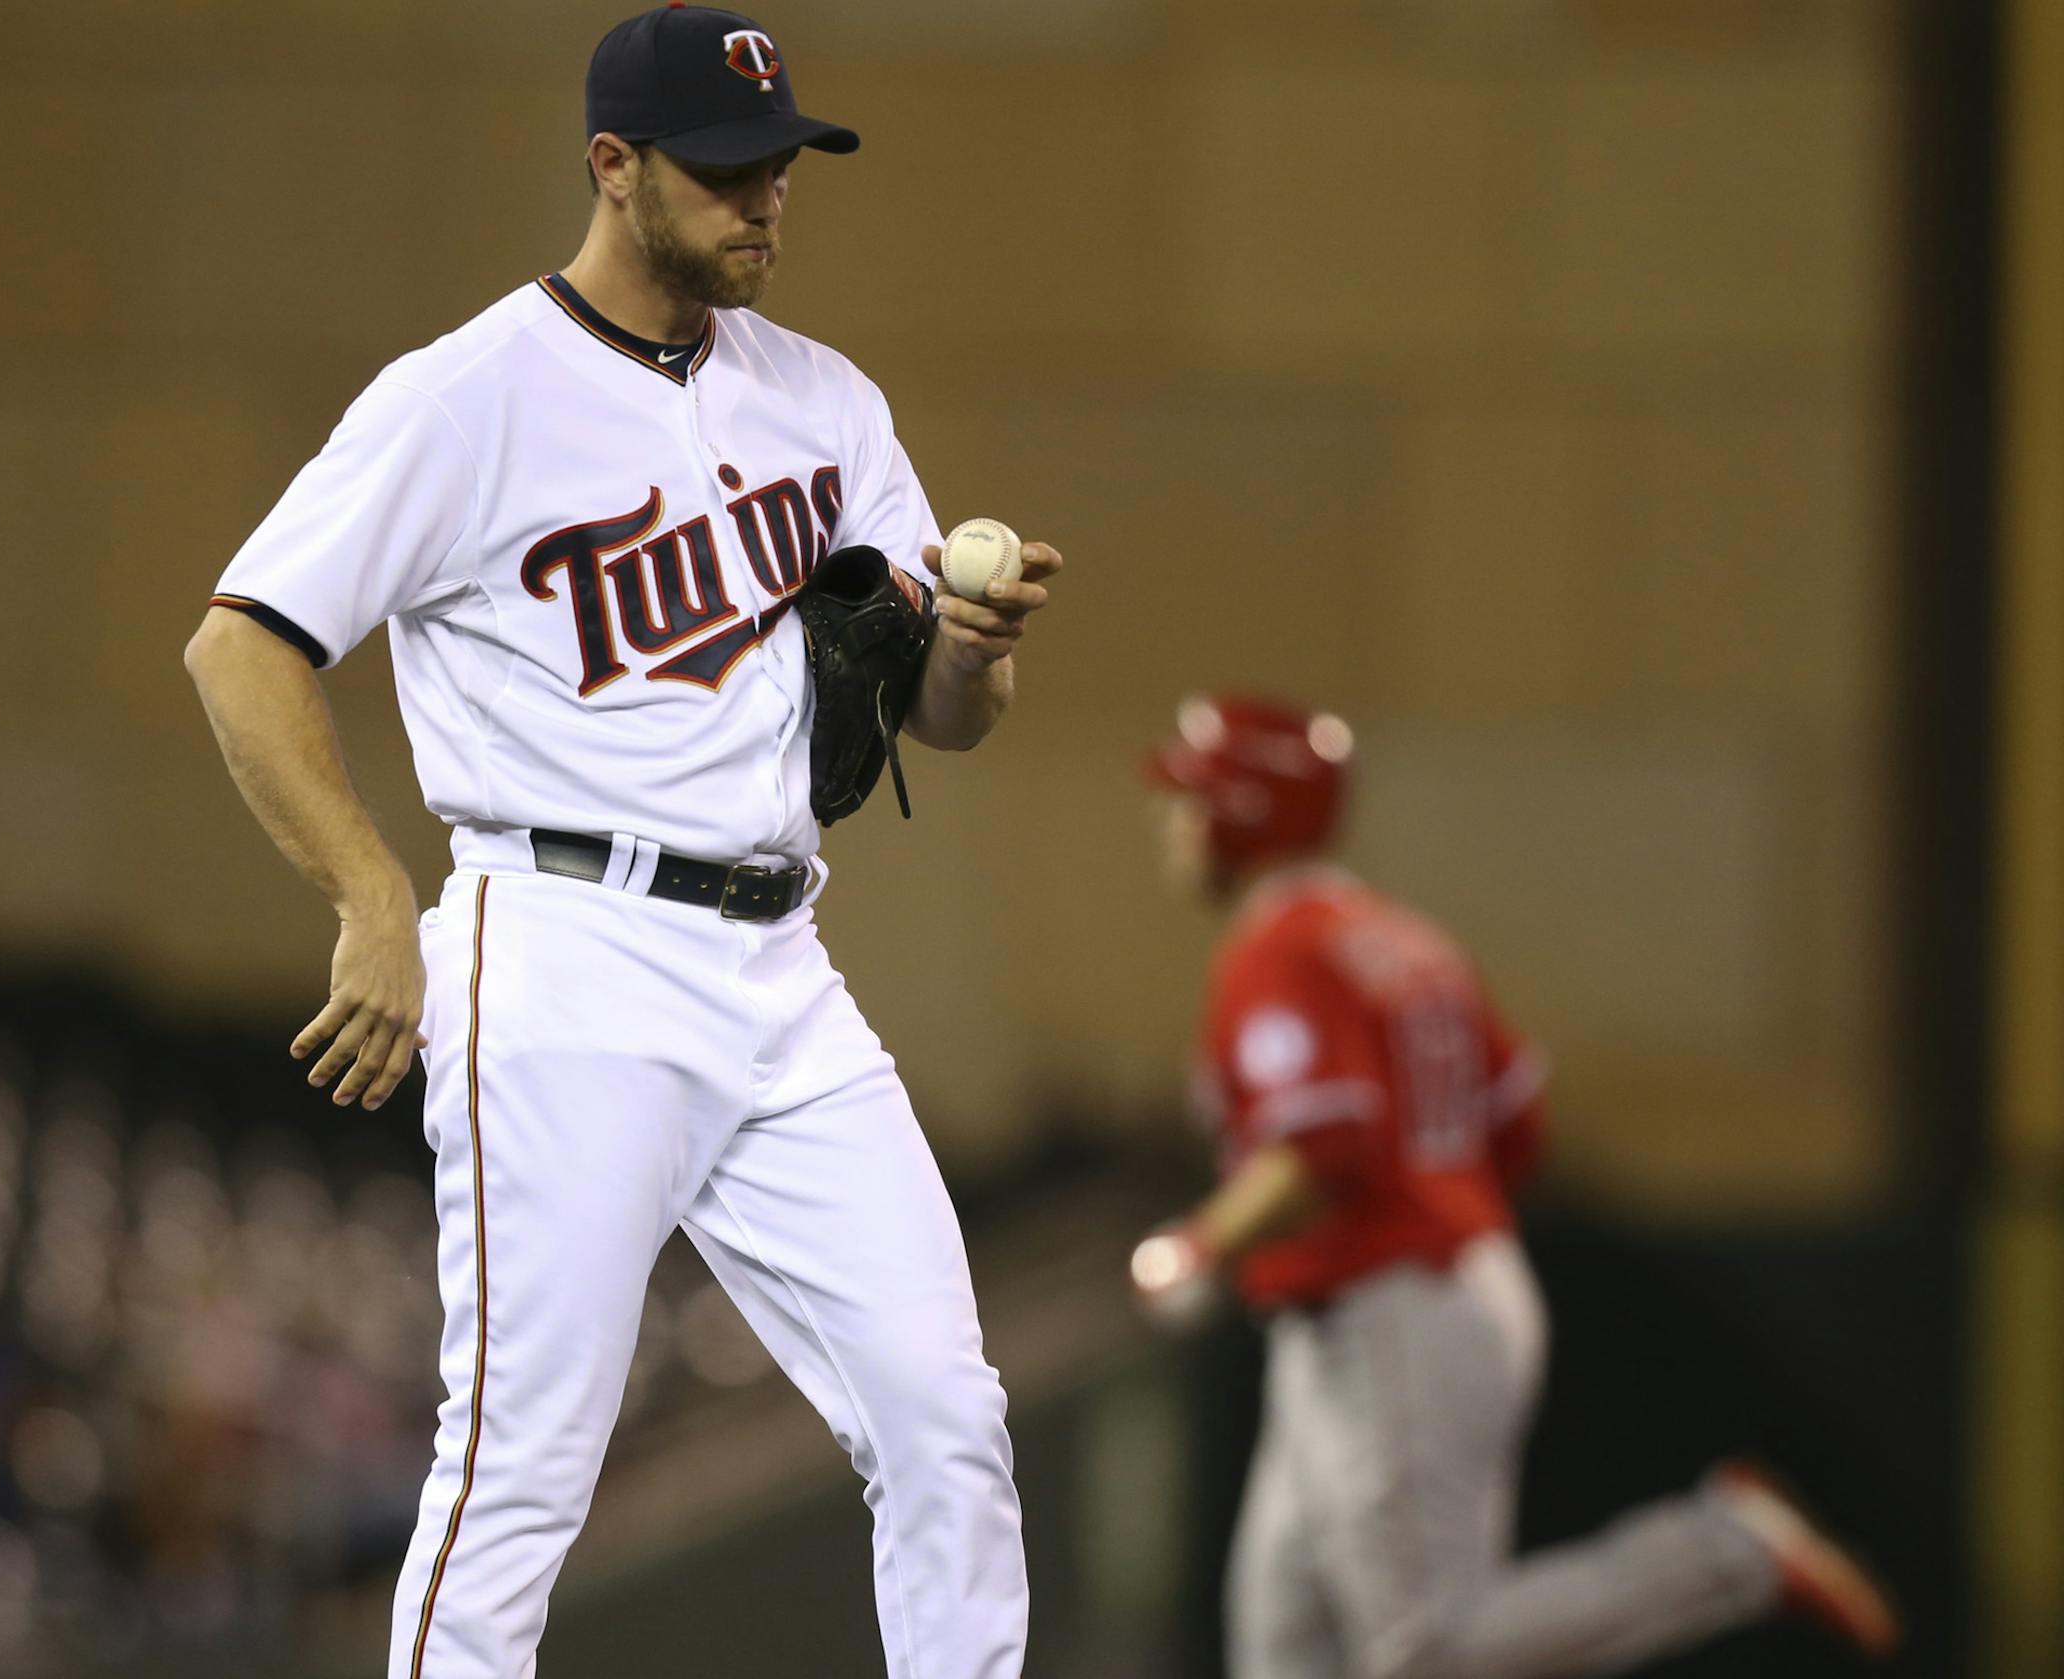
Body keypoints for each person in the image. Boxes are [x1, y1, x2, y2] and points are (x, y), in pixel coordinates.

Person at [182, 10, 1054, 1675]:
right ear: (614, 166)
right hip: (567, 951)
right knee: (523, 1460)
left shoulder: (824, 397)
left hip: (781, 961)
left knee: (947, 1410)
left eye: (781, 166)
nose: (765, 199)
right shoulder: (467, 395)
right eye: (727, 172)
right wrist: (371, 892)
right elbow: (243, 639)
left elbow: (945, 717)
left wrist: (974, 638)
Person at [1127, 694, 1898, 1679]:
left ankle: (1725, 1550)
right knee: (1286, 1639)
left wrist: (1200, 1243)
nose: (1172, 819)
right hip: (1398, 1306)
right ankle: (1726, 1550)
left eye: (1191, 797)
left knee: (1425, 1647)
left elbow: (1325, 1144)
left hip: (1391, 1308)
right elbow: (1519, 1121)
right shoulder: (1403, 937)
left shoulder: (1283, 945)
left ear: (1244, 808)